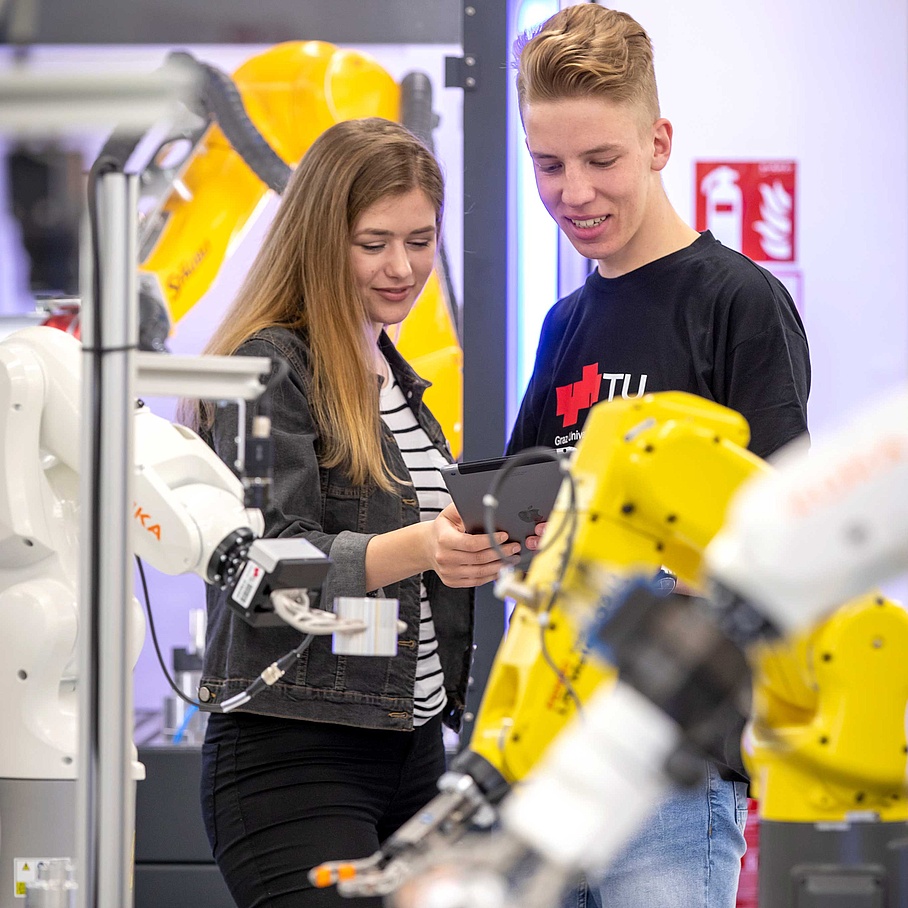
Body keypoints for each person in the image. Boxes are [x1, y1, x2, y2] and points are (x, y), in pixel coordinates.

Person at [507, 6, 810, 908]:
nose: (573, 192)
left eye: (600, 160)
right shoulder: (564, 323)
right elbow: (528, 515)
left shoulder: (738, 303)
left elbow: (786, 548)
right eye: (547, 164)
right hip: (551, 766)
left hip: (675, 772)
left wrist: (633, 577)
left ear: (659, 141)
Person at [181, 117, 521, 908]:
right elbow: (263, 566)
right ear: (320, 239)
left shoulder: (400, 382)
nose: (402, 268)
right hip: (294, 758)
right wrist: (426, 548)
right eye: (373, 243)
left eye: (420, 239)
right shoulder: (270, 365)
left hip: (414, 751)